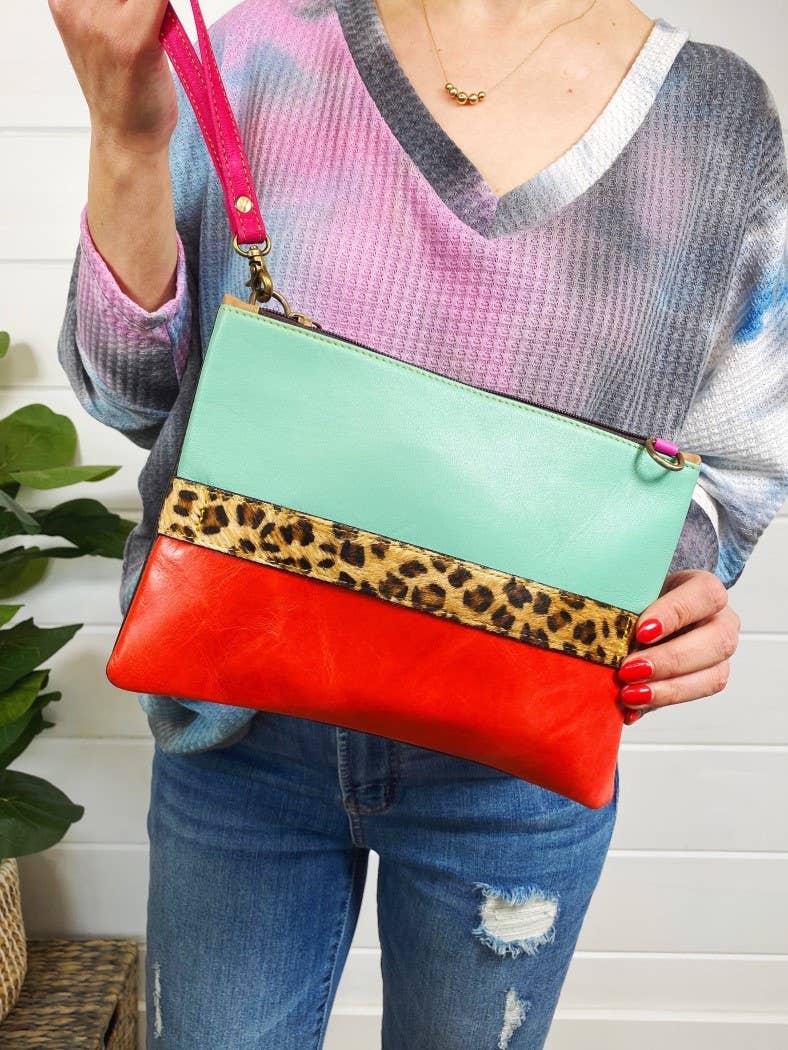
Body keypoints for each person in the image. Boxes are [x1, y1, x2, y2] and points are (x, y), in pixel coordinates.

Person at [49, 0, 787, 1046]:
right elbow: (131, 395)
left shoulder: (716, 121)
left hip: (515, 762)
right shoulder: (258, 48)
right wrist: (125, 138)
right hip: (238, 727)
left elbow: (734, 473)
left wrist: (681, 586)